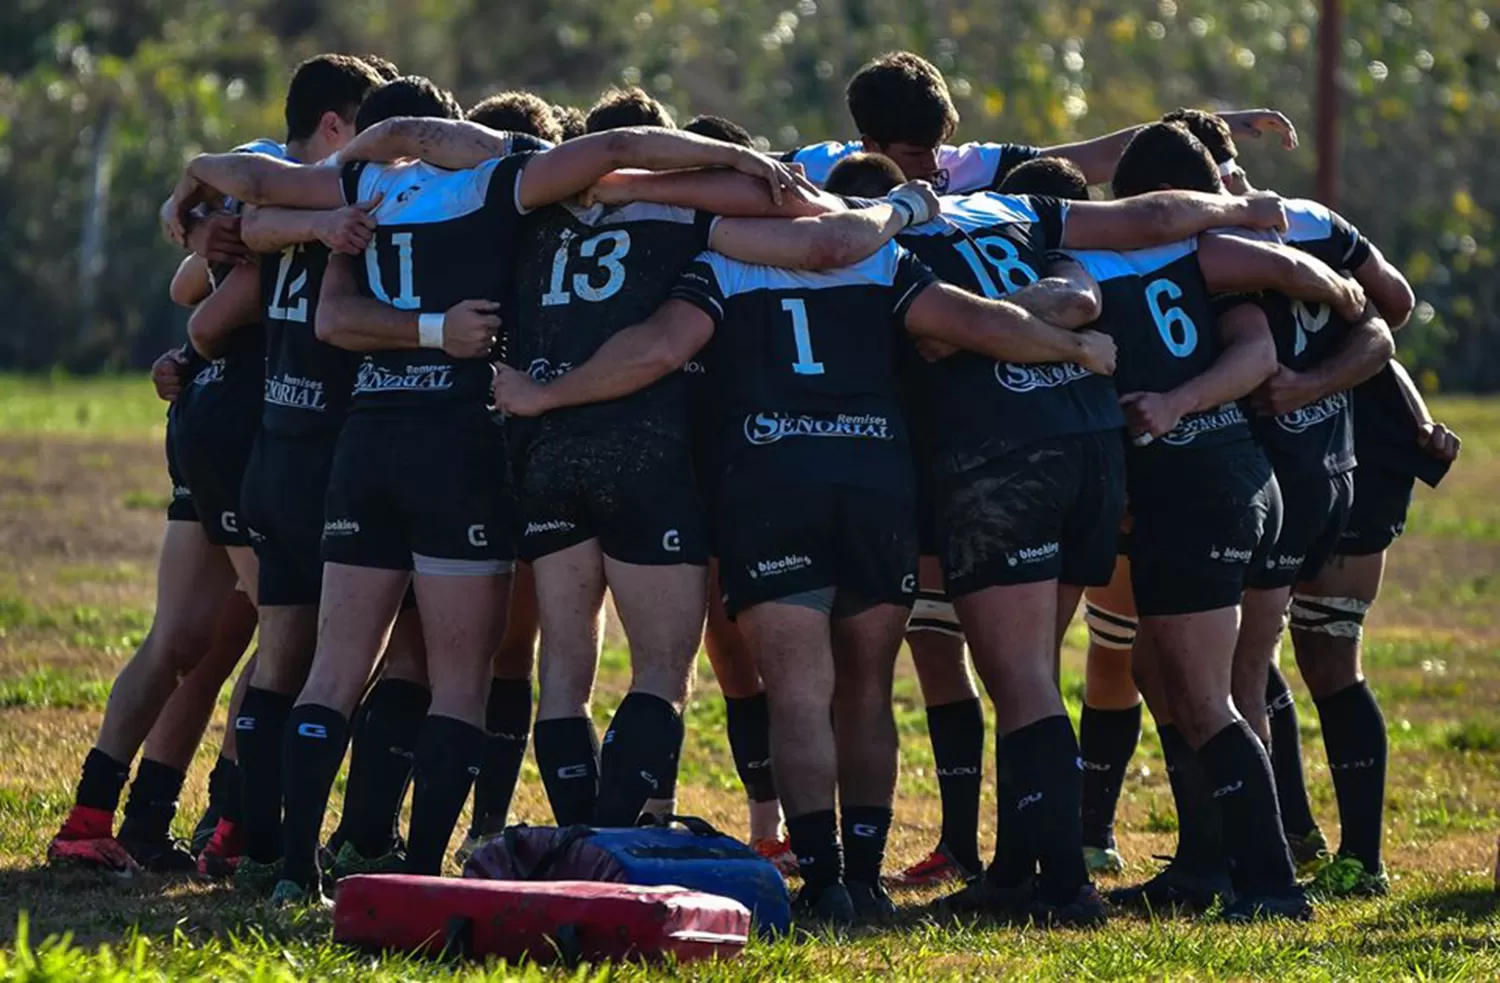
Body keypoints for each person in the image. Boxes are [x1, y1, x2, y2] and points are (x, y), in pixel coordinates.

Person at [163, 113, 808, 903]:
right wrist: (743, 149)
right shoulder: (503, 185)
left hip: (365, 443)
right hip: (466, 446)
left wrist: (199, 169)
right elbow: (615, 153)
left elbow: (263, 197)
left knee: (331, 671)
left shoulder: (367, 187)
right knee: (465, 679)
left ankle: (294, 868)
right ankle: (422, 870)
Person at [493, 216, 1117, 926]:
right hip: (874, 482)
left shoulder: (724, 264)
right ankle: (868, 875)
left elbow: (661, 347)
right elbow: (978, 323)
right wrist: (1076, 348)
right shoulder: (881, 260)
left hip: (772, 482)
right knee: (867, 689)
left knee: (797, 692)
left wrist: (549, 390)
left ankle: (823, 883)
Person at [822, 150, 1298, 924]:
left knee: (1025, 681)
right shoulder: (1018, 211)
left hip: (1001, 457)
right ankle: (1019, 870)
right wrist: (1236, 208)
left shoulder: (876, 244)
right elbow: (1100, 270)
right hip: (1090, 446)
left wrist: (989, 327)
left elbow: (961, 326)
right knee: (1035, 674)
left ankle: (1066, 888)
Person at [46, 54, 382, 875]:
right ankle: (234, 830)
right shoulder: (318, 182)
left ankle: (108, 815)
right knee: (284, 640)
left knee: (190, 636)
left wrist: (193, 228)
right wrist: (196, 341)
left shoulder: (264, 173)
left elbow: (192, 275)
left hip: (212, 420)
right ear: (336, 125)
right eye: (371, 125)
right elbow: (211, 300)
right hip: (249, 428)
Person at [1072, 122, 1366, 921]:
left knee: (1208, 695)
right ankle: (1205, 864)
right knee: (1163, 677)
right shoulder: (1210, 253)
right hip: (1242, 480)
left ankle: (1269, 883)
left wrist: (1172, 402)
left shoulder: (1112, 258)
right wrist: (1332, 283)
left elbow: (1261, 354)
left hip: (1203, 486)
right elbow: (1271, 318)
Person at [784, 51, 1297, 192]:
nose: (932, 166)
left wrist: (1207, 126)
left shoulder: (971, 167)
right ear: (870, 143)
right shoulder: (818, 168)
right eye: (916, 156)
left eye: (938, 148)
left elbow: (1091, 160)